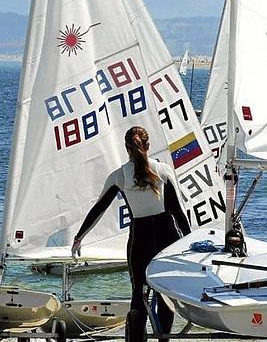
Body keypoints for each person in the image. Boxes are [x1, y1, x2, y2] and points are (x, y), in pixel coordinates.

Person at [72, 126, 191, 342]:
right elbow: (177, 212)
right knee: (165, 293)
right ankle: (163, 339)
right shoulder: (163, 171)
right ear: (148, 146)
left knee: (139, 292)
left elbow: (98, 209)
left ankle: (136, 337)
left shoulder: (119, 176)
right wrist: (190, 241)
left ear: (127, 148)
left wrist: (79, 237)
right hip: (168, 236)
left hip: (141, 239)